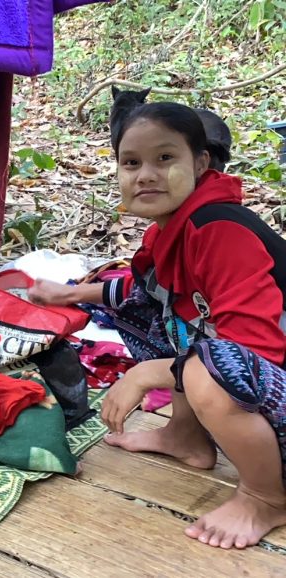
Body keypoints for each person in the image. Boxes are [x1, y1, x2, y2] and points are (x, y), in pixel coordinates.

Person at [29, 102, 286, 549]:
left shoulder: (221, 230)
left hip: (272, 376)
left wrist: (147, 372)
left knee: (211, 367)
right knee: (147, 309)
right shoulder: (172, 230)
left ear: (201, 163)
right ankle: (185, 436)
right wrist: (69, 294)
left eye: (165, 159)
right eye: (131, 163)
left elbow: (251, 351)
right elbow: (144, 287)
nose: (145, 174)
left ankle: (266, 496)